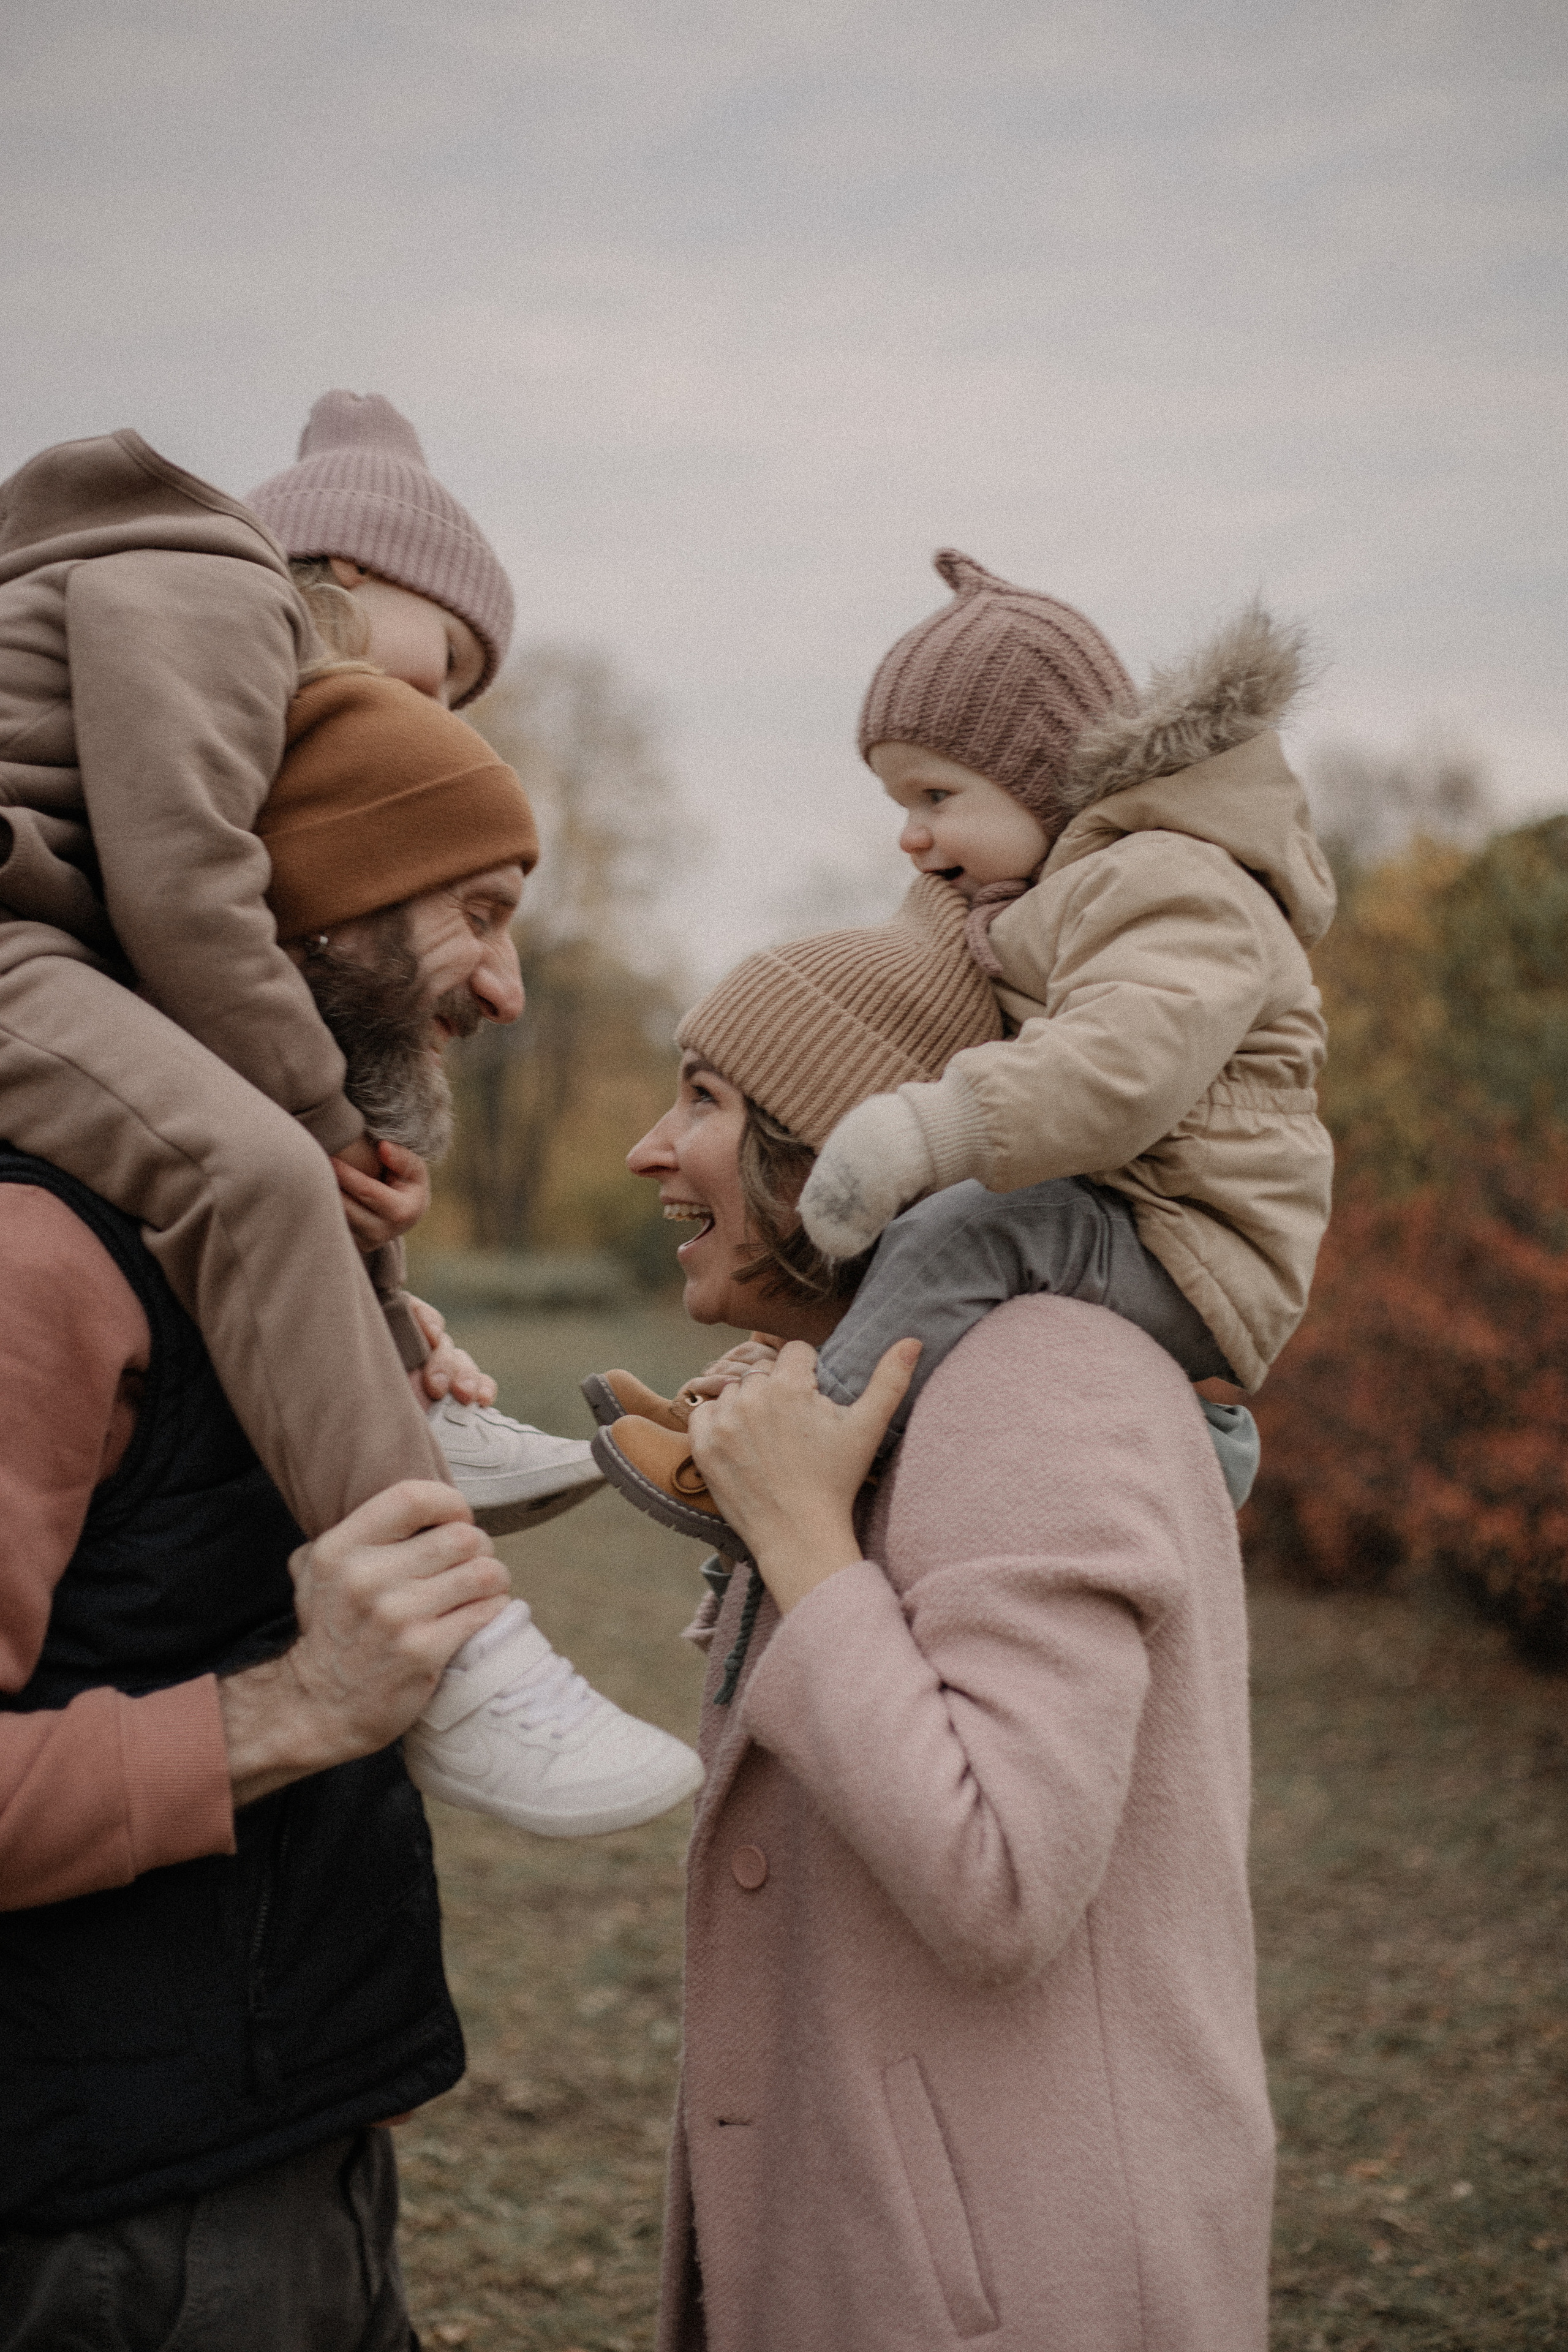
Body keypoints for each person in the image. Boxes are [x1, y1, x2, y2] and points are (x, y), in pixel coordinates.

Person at [0, 801, 703, 2345]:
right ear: (295, 914)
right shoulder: (34, 1257)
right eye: (475, 911)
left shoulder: (231, 1236)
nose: (507, 989)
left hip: (282, 2143)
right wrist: (288, 1713)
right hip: (111, 2227)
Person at [613, 895, 1275, 2350]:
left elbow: (996, 1874)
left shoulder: (1040, 1376)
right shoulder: (910, 1385)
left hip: (1011, 2288)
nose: (650, 1149)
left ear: (834, 1143)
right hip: (897, 2247)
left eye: (706, 1101)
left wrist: (798, 1540)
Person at [590, 552, 1335, 1547]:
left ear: (1046, 776)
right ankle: (734, 1416)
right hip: (1127, 1214)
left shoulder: (1173, 882)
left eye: (935, 797)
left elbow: (1121, 1070)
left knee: (968, 1226)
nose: (909, 835)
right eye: (900, 803)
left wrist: (927, 1127)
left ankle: (790, 1468)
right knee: (891, 1248)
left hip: (1200, 1242)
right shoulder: (1042, 900)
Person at [0, 393, 599, 1551]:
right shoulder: (222, 592)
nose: (428, 713)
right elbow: (181, 881)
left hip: (38, 931)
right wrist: (322, 1126)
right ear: (347, 571)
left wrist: (366, 1224)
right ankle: (438, 1601)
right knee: (265, 1160)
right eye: (447, 665)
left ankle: (407, 1382)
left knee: (287, 1086)